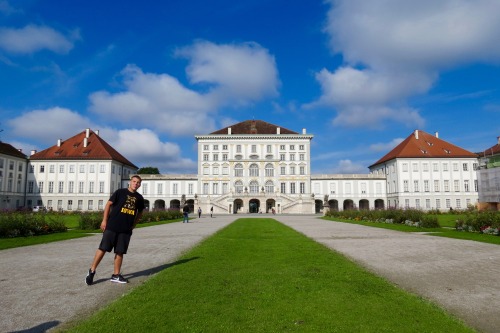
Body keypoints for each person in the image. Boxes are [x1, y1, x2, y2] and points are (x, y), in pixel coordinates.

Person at [85, 175, 145, 285]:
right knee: (103, 248)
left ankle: (116, 275)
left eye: (138, 182)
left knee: (120, 251)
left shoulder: (139, 198)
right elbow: (108, 204)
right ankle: (92, 271)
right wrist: (104, 220)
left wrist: (134, 224)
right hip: (112, 226)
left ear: (140, 185)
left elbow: (140, 212)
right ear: (130, 182)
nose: (136, 184)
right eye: (134, 181)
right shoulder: (120, 192)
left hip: (126, 229)